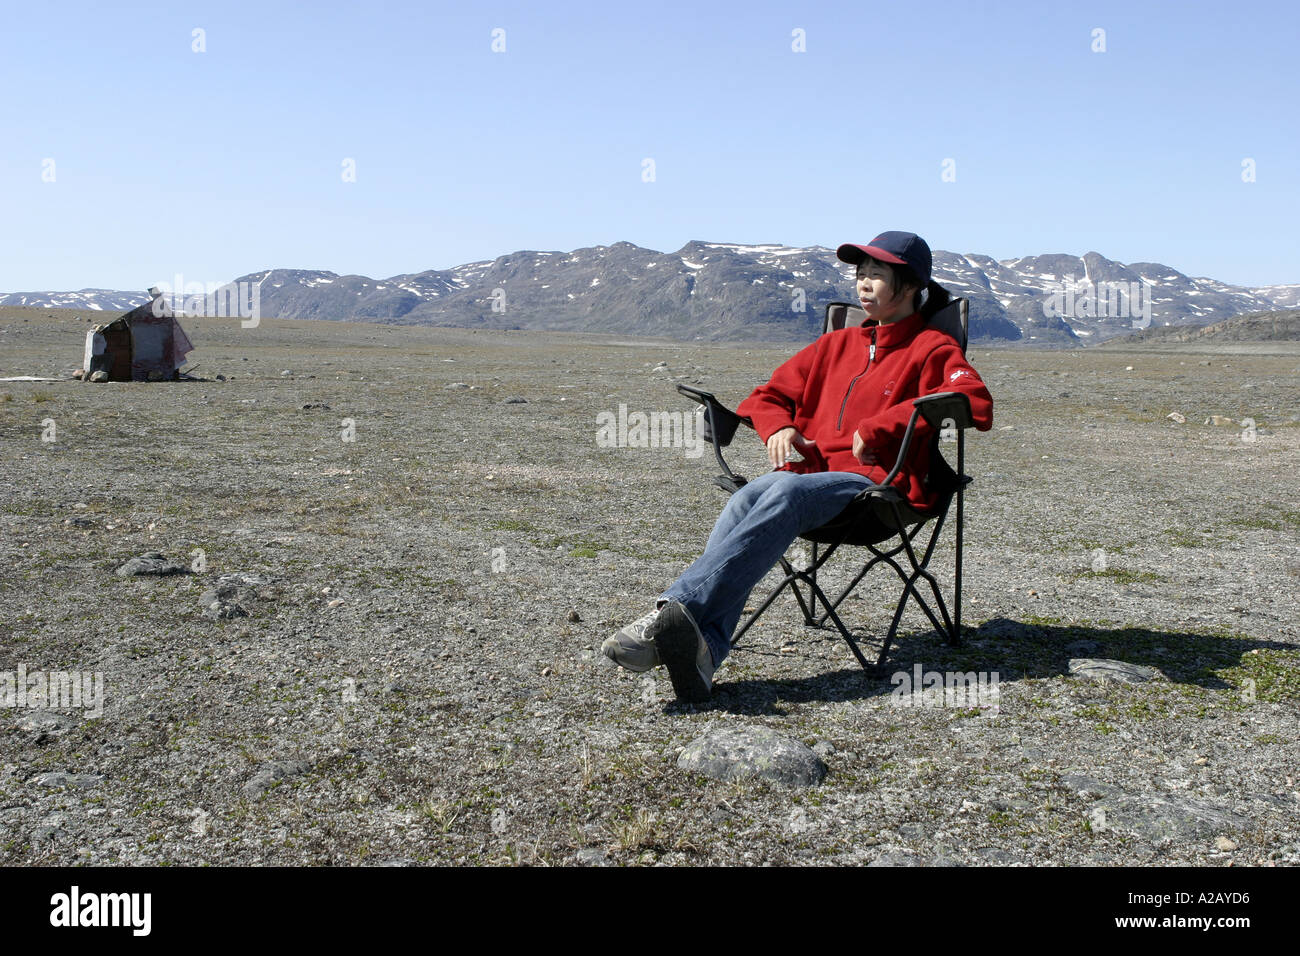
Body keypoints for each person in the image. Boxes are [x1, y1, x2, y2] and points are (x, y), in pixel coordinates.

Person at [603, 231, 994, 702]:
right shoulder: (834, 346)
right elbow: (766, 396)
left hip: (877, 491)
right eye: (860, 275)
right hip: (810, 484)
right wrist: (777, 429)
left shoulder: (931, 348)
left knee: (782, 490)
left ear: (910, 286)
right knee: (752, 493)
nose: (864, 285)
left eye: (876, 275)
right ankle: (704, 648)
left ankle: (671, 612)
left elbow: (972, 401)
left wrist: (883, 427)